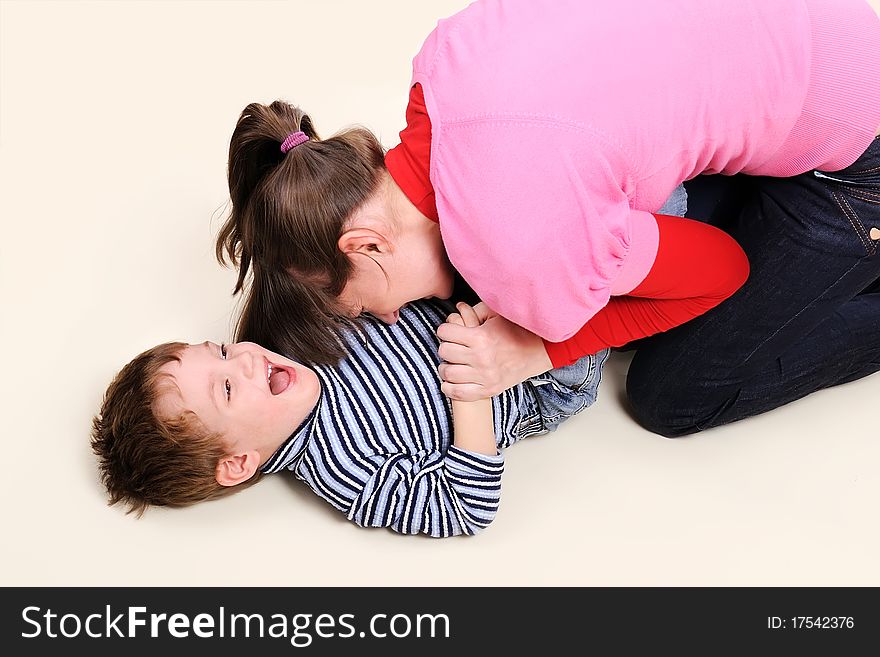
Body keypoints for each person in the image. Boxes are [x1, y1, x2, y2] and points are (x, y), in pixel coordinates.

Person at [216, 0, 880, 435]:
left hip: (858, 154)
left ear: (362, 243)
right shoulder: (441, 62)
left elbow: (721, 269)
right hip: (822, 24)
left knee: (670, 393)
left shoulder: (521, 253)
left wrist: (539, 349)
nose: (388, 319)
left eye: (357, 307)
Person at [91, 297, 608, 538]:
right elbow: (465, 508)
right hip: (538, 378)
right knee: (590, 284)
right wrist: (469, 381)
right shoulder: (345, 470)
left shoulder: (297, 344)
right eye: (226, 387)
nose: (246, 359)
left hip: (483, 299)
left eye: (223, 351)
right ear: (238, 463)